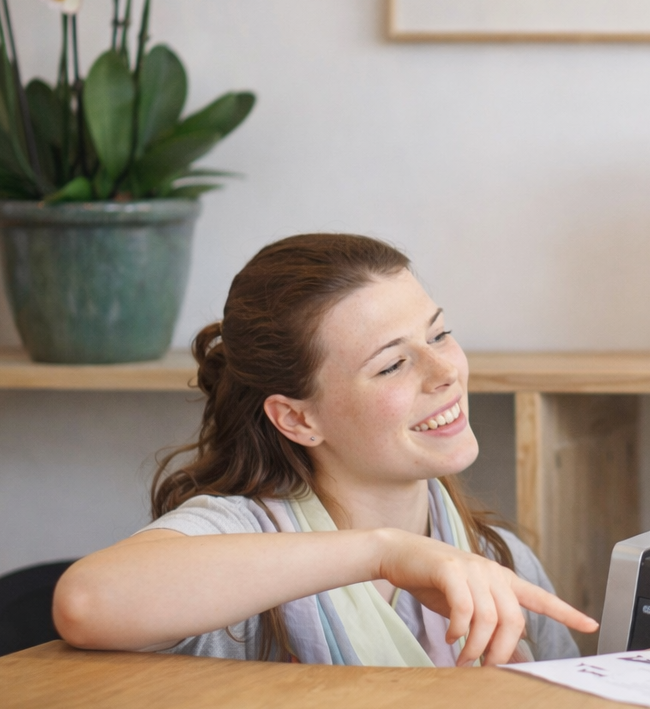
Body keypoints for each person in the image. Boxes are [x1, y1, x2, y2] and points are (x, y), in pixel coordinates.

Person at [54, 233, 595, 667]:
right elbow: (85, 602)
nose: (446, 372)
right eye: (391, 365)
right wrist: (382, 553)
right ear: (297, 418)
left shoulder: (493, 557)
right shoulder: (237, 537)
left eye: (437, 335)